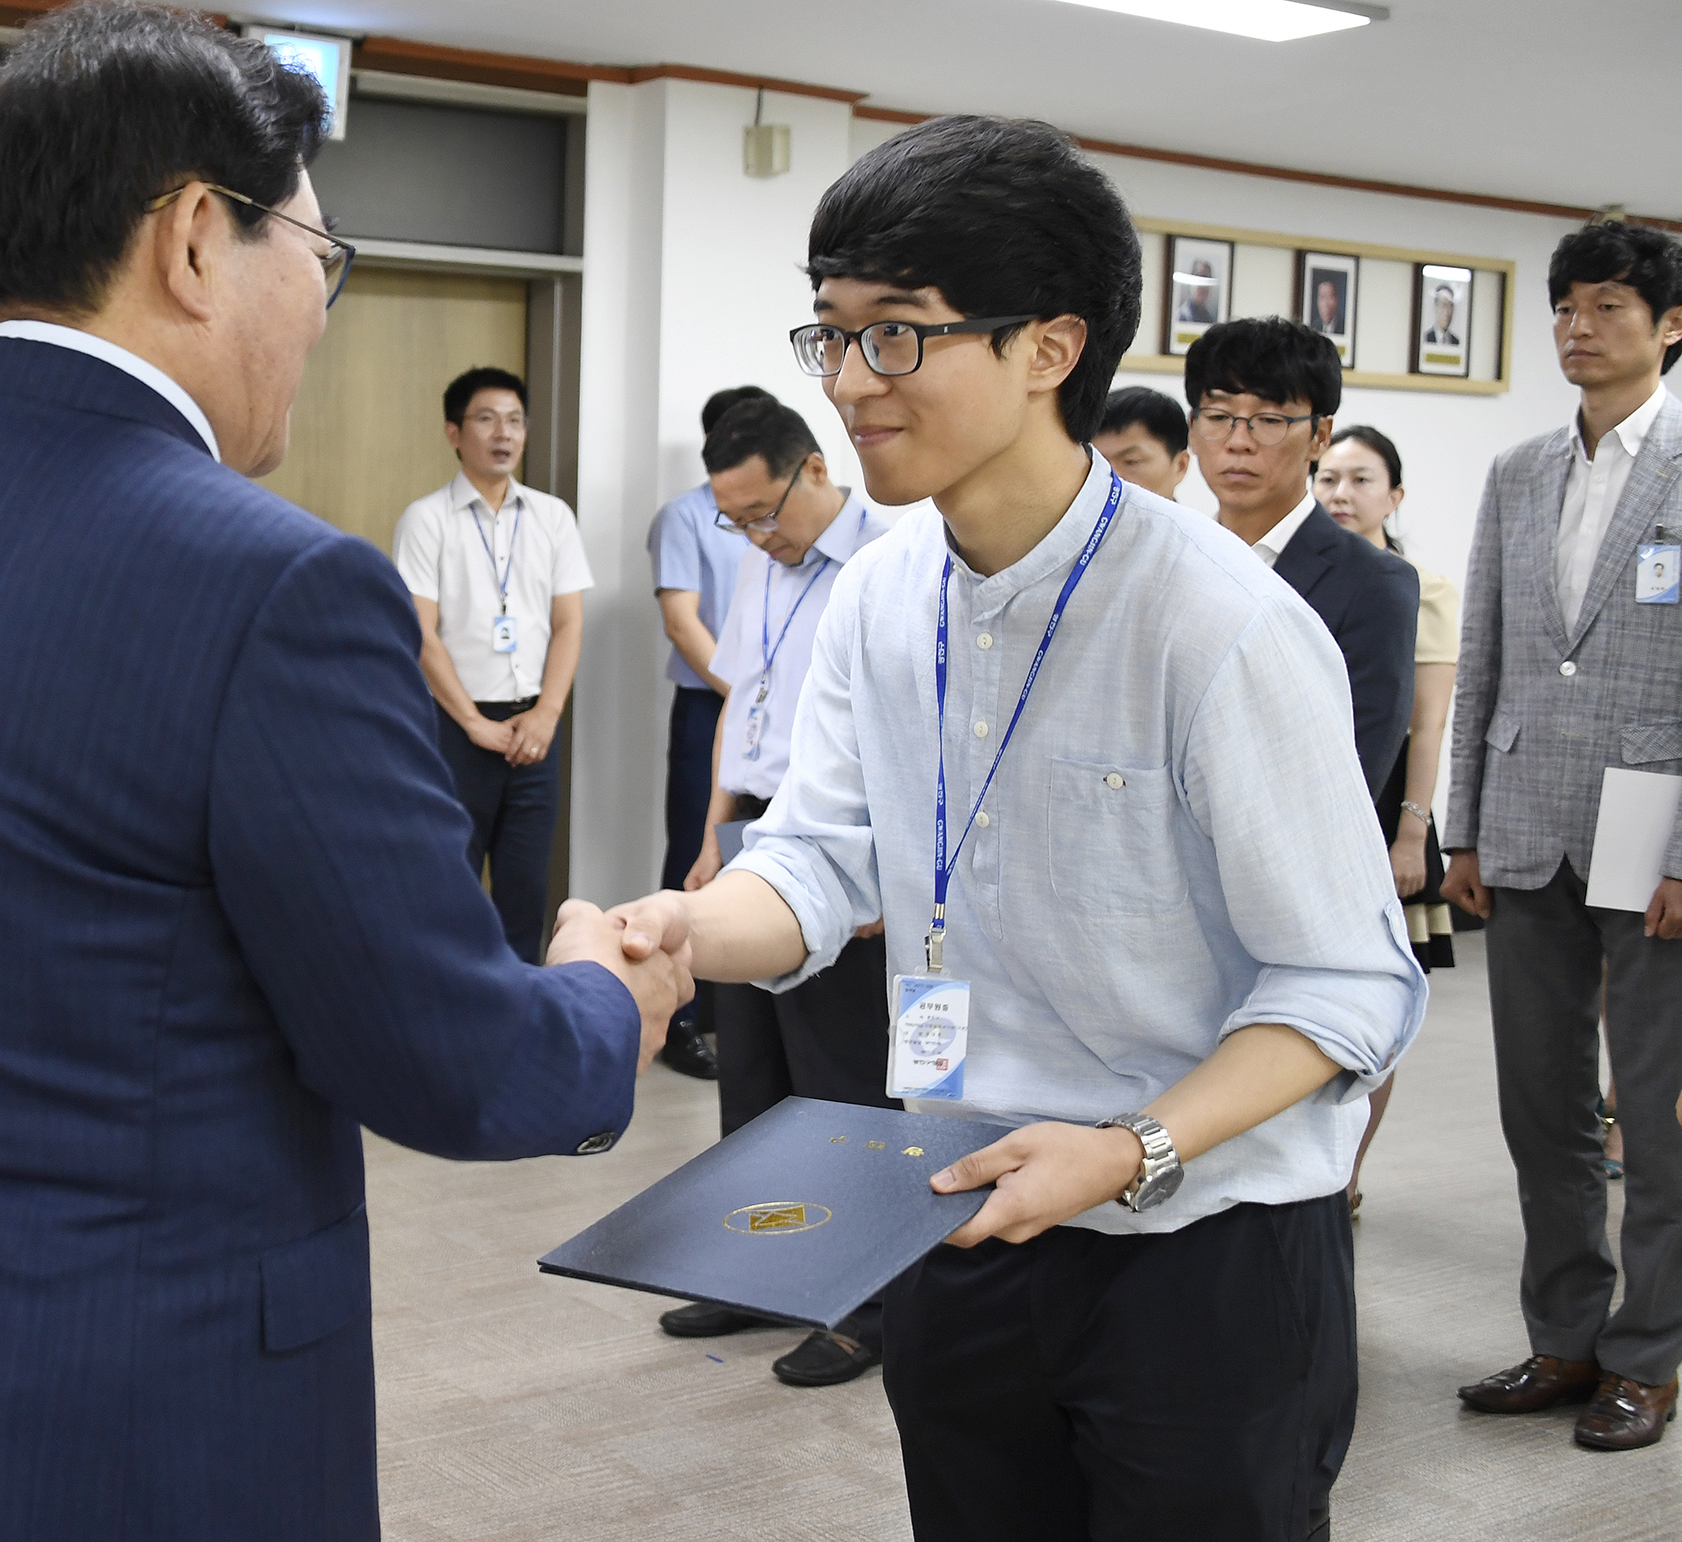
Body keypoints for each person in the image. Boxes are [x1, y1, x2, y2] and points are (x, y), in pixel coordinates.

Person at [0, 11, 685, 1540]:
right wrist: (605, 994)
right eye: (317, 262)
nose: (319, 318)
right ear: (199, 237)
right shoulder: (278, 589)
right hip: (135, 1419)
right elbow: (450, 1058)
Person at [607, 114, 1423, 1539]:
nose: (853, 382)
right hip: (959, 1210)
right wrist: (684, 927)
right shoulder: (882, 591)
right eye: (833, 334)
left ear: (1049, 347)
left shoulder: (1220, 628)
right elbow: (826, 854)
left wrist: (1129, 1150)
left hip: (1198, 1246)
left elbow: (1351, 984)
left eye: (900, 335)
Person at [1444, 219, 1682, 1452]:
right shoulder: (1519, 470)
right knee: (1541, 1107)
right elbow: (1483, 653)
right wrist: (1462, 826)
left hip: (1659, 831)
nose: (1579, 328)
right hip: (1529, 823)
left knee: (1655, 1108)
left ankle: (1651, 1355)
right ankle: (1567, 1340)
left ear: (1670, 325)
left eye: (1606, 306)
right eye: (1565, 308)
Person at [656, 396, 893, 1387]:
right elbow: (739, 698)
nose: (754, 532)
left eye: (763, 511)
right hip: (753, 837)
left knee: (840, 1087)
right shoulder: (760, 563)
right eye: (734, 518)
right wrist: (713, 828)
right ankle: (758, 1273)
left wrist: (879, 876)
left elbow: (897, 734)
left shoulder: (889, 563)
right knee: (751, 1078)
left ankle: (863, 1304)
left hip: (840, 856)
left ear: (815, 469)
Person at [394, 366, 592, 965]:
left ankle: (519, 1031)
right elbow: (420, 633)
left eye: (514, 420)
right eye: (486, 419)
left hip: (535, 731)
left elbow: (569, 623)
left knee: (525, 894)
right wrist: (475, 723)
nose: (503, 433)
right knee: (447, 885)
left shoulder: (553, 517)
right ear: (454, 433)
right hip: (457, 730)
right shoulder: (426, 520)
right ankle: (446, 1025)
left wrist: (547, 716)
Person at [1314, 424, 1459, 1216]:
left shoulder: (1418, 584)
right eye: (1329, 478)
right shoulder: (1291, 569)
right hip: (1318, 789)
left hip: (1388, 804)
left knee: (1375, 1006)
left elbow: (1426, 723)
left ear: (1393, 496)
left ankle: (1350, 1173)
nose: (1341, 494)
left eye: (1361, 480)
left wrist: (1410, 833)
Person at [1186, 317, 1420, 801]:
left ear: (1319, 436)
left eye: (1270, 421)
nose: (1238, 441)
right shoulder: (1172, 561)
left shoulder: (1375, 583)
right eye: (1218, 416)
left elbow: (1354, 773)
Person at [644, 384, 776, 1079]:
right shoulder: (688, 518)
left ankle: (736, 1008)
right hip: (711, 710)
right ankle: (679, 1019)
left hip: (767, 718)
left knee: (761, 865)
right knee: (699, 858)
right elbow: (683, 623)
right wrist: (750, 695)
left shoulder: (783, 520)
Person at [1093, 384, 1189, 501]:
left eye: (1131, 461)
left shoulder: (1197, 520)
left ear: (1180, 466)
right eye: (1098, 463)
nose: (1112, 478)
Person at [1176, 260, 1216, 325]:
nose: (1204, 285)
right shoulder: (1182, 316)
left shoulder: (1211, 318)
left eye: (1207, 278)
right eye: (1200, 277)